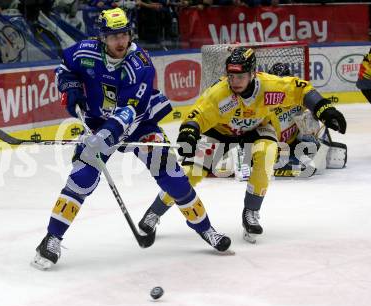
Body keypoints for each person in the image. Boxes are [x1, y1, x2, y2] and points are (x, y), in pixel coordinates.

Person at [31, 8, 231, 270]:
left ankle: (206, 229)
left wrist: (105, 136)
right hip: (96, 121)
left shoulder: (140, 64)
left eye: (123, 34)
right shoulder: (85, 51)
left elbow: (131, 110)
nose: (120, 41)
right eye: (113, 36)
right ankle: (52, 238)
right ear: (102, 37)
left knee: (174, 178)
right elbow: (65, 69)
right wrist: (70, 88)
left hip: (139, 124)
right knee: (82, 178)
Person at [138, 47, 347, 244]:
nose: (235, 81)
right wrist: (189, 133)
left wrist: (323, 109)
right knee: (191, 172)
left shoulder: (269, 86)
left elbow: (301, 89)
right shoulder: (220, 94)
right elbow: (197, 115)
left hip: (257, 128)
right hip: (220, 131)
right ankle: (154, 212)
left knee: (266, 154)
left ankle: (251, 212)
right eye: (231, 76)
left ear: (253, 73)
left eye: (240, 76)